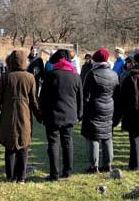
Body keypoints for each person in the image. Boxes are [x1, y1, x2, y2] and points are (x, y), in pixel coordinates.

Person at [0, 50, 41, 184]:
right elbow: (34, 101)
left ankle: (10, 176)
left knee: (9, 146)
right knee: (24, 146)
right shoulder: (30, 77)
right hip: (24, 115)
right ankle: (21, 177)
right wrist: (39, 116)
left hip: (8, 114)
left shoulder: (6, 77)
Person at [39, 49, 83, 181]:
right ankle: (68, 171)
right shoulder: (75, 76)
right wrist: (79, 114)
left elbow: (43, 98)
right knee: (68, 143)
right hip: (69, 115)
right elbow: (80, 97)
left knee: (53, 144)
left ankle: (54, 174)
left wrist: (42, 114)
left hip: (52, 115)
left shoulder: (51, 75)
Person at [81, 48, 119, 173]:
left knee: (93, 137)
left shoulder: (92, 74)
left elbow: (85, 96)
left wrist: (83, 111)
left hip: (94, 108)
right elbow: (116, 93)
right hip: (109, 107)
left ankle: (94, 166)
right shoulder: (114, 74)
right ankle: (108, 164)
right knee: (107, 136)